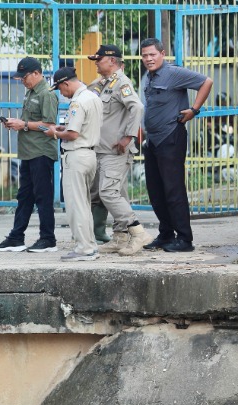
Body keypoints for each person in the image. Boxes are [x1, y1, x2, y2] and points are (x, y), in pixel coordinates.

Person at [140, 37, 213, 252]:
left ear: (162, 53)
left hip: (171, 137)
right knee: (155, 189)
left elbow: (206, 82)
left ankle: (184, 239)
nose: (148, 59)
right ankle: (165, 234)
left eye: (152, 54)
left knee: (173, 189)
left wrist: (194, 109)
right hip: (152, 140)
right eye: (144, 55)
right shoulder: (148, 76)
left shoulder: (174, 73)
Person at [86, 44, 152, 256]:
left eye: (99, 60)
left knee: (108, 192)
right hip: (103, 149)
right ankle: (120, 237)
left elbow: (137, 107)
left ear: (112, 61)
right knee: (118, 193)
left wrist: (129, 136)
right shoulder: (105, 83)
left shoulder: (122, 83)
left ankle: (138, 232)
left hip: (116, 150)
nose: (96, 63)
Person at [0, 57, 59, 253]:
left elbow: (49, 125)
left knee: (42, 197)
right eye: (21, 77)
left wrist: (23, 125)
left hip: (41, 151)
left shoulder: (46, 94)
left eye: (25, 77)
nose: (23, 80)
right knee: (24, 196)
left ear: (37, 73)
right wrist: (16, 123)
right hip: (28, 152)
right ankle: (16, 236)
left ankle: (48, 238)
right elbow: (31, 122)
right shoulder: (30, 92)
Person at [44, 67, 103, 261]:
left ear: (66, 83)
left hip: (77, 156)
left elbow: (73, 134)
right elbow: (81, 127)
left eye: (61, 89)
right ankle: (91, 245)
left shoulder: (78, 102)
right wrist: (63, 128)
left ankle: (84, 249)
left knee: (76, 205)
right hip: (90, 155)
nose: (61, 93)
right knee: (84, 204)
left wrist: (54, 133)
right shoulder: (93, 97)